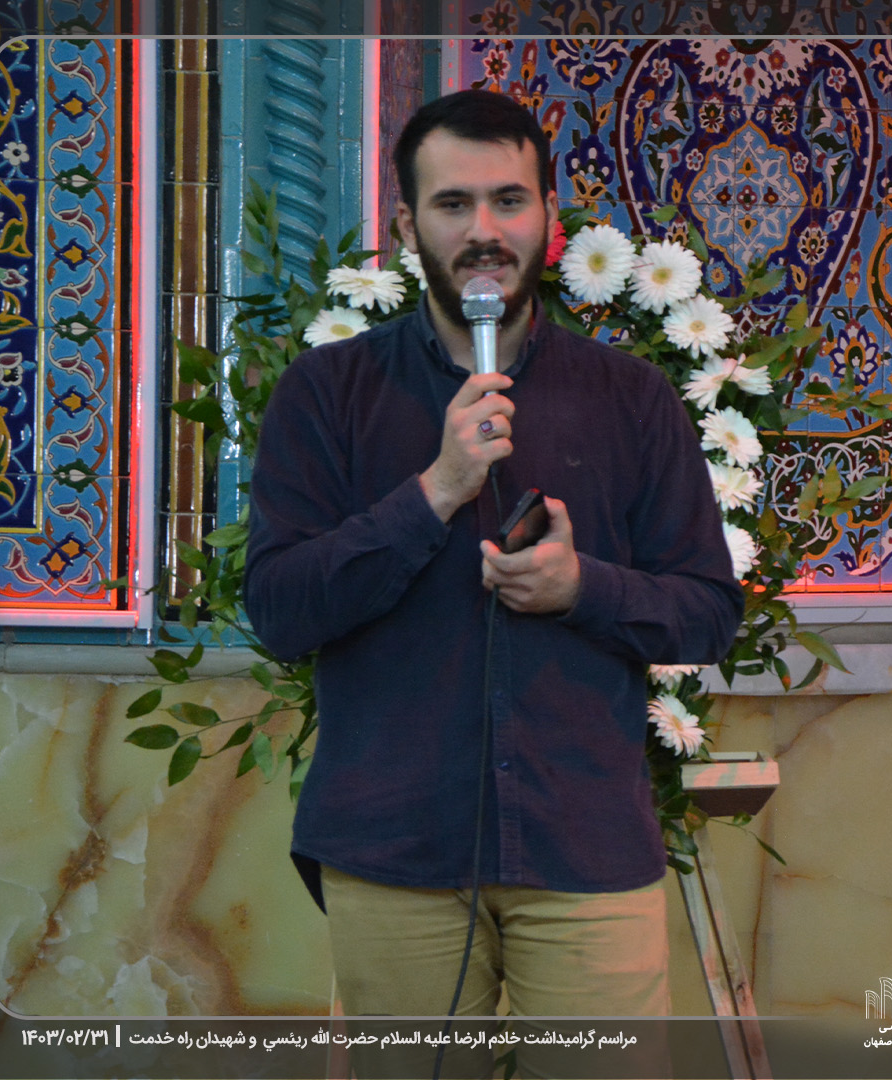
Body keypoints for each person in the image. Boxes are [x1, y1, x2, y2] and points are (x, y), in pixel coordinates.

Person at [243, 89, 743, 1043]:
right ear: (406, 225)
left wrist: (582, 589)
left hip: (584, 845)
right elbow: (279, 610)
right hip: (396, 848)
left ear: (550, 217)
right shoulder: (328, 393)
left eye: (509, 201)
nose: (484, 230)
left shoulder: (632, 399)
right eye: (453, 203)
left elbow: (709, 612)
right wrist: (435, 489)